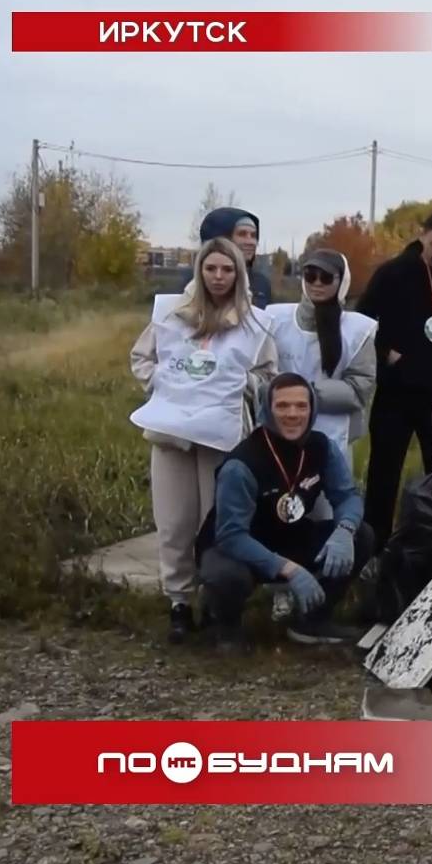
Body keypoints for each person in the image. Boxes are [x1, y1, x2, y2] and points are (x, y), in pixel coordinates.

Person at [129, 237, 276, 643]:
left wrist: (242, 382)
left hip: (221, 436)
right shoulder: (172, 314)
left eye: (227, 270)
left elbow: (269, 375)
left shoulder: (254, 323)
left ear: (238, 273)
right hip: (172, 433)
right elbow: (141, 358)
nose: (218, 277)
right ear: (200, 270)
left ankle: (217, 602)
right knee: (174, 522)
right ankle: (179, 602)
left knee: (216, 521)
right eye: (211, 268)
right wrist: (164, 381)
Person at [194, 374, 375, 652]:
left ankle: (312, 620)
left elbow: (347, 496)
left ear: (312, 409)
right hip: (240, 547)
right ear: (267, 409)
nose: (293, 414)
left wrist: (345, 530)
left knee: (362, 535)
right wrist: (289, 570)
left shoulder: (321, 447)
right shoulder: (241, 465)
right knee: (226, 575)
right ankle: (225, 627)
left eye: (302, 406)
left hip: (290, 537)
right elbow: (231, 535)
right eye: (283, 406)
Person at [355, 210, 432, 548]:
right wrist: (386, 355)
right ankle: (374, 545)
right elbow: (361, 321)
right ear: (422, 236)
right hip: (395, 390)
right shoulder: (393, 273)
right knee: (384, 470)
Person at [264, 250, 377, 450]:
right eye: (310, 275)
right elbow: (262, 373)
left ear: (342, 281)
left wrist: (305, 394)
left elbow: (360, 389)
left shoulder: (358, 331)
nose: (316, 283)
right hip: (279, 429)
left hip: (333, 434)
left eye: (325, 277)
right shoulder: (274, 319)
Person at [179, 207, 271, 309]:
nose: (250, 242)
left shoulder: (260, 283)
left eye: (253, 235)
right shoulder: (193, 284)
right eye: (242, 234)